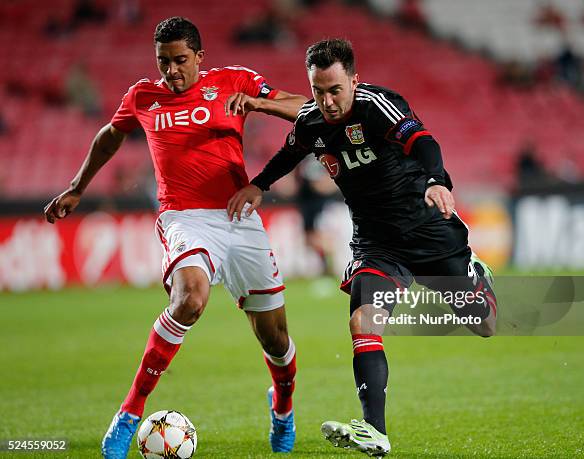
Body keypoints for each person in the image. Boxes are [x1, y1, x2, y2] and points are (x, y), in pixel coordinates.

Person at [43, 16, 307, 459]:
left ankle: (282, 408)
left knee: (275, 338)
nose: (172, 70)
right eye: (164, 61)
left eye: (181, 60)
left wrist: (261, 105)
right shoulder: (142, 96)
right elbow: (110, 136)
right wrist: (78, 186)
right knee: (189, 300)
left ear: (200, 57)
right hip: (183, 217)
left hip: (238, 216)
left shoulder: (234, 81)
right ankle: (128, 413)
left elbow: (305, 107)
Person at [227, 38, 497, 456]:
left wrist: (438, 180)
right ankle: (376, 432)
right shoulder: (312, 121)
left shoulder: (377, 105)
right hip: (376, 245)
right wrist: (258, 184)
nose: (328, 100)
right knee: (362, 323)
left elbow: (424, 142)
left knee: (484, 324)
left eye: (335, 89)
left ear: (354, 79)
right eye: (318, 90)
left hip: (429, 234)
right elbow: (290, 152)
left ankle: (476, 276)